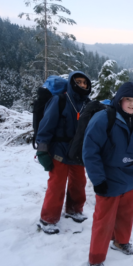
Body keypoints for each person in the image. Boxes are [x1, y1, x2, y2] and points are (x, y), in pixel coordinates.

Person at [83, 82, 133, 266]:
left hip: (129, 180)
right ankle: (96, 259)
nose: (132, 104)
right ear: (119, 100)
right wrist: (98, 180)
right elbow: (90, 151)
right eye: (128, 100)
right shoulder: (104, 118)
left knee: (126, 215)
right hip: (108, 180)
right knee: (104, 221)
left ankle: (121, 242)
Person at [36, 71, 92, 234]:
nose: (82, 85)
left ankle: (74, 210)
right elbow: (46, 126)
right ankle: (48, 219)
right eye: (79, 81)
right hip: (59, 150)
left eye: (85, 83)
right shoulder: (59, 100)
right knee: (57, 185)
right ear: (72, 83)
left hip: (77, 152)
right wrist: (42, 151)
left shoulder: (88, 104)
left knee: (79, 183)